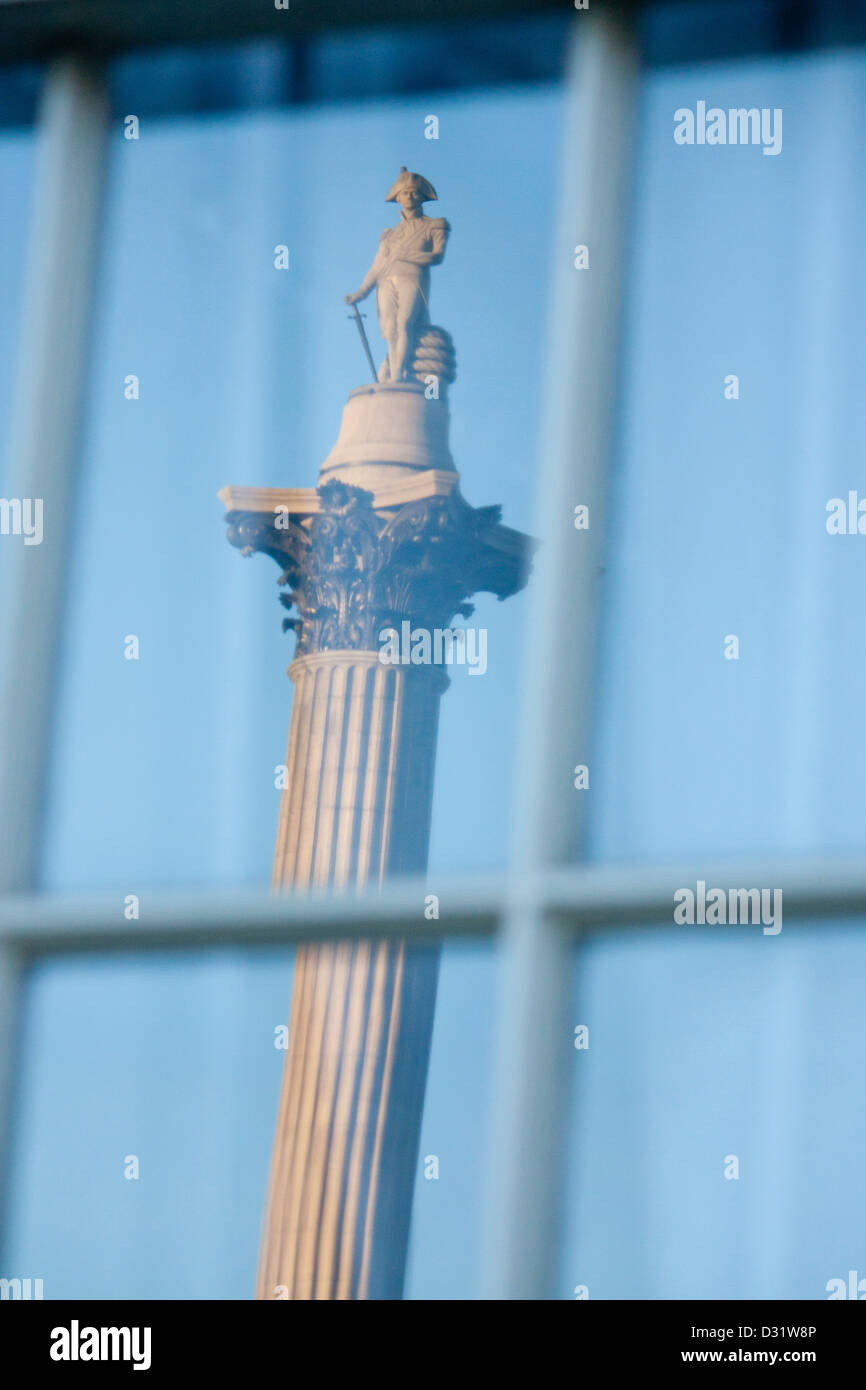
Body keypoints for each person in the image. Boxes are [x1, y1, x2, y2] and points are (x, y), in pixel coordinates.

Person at [344, 168, 450, 383]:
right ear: (398, 198)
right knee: (390, 329)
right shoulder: (389, 235)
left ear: (421, 196)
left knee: (404, 323)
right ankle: (393, 371)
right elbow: (376, 267)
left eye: (413, 193)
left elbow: (437, 256)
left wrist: (407, 255)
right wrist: (361, 293)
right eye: (404, 193)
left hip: (413, 278)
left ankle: (398, 376)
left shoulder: (434, 225)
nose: (409, 197)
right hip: (386, 281)